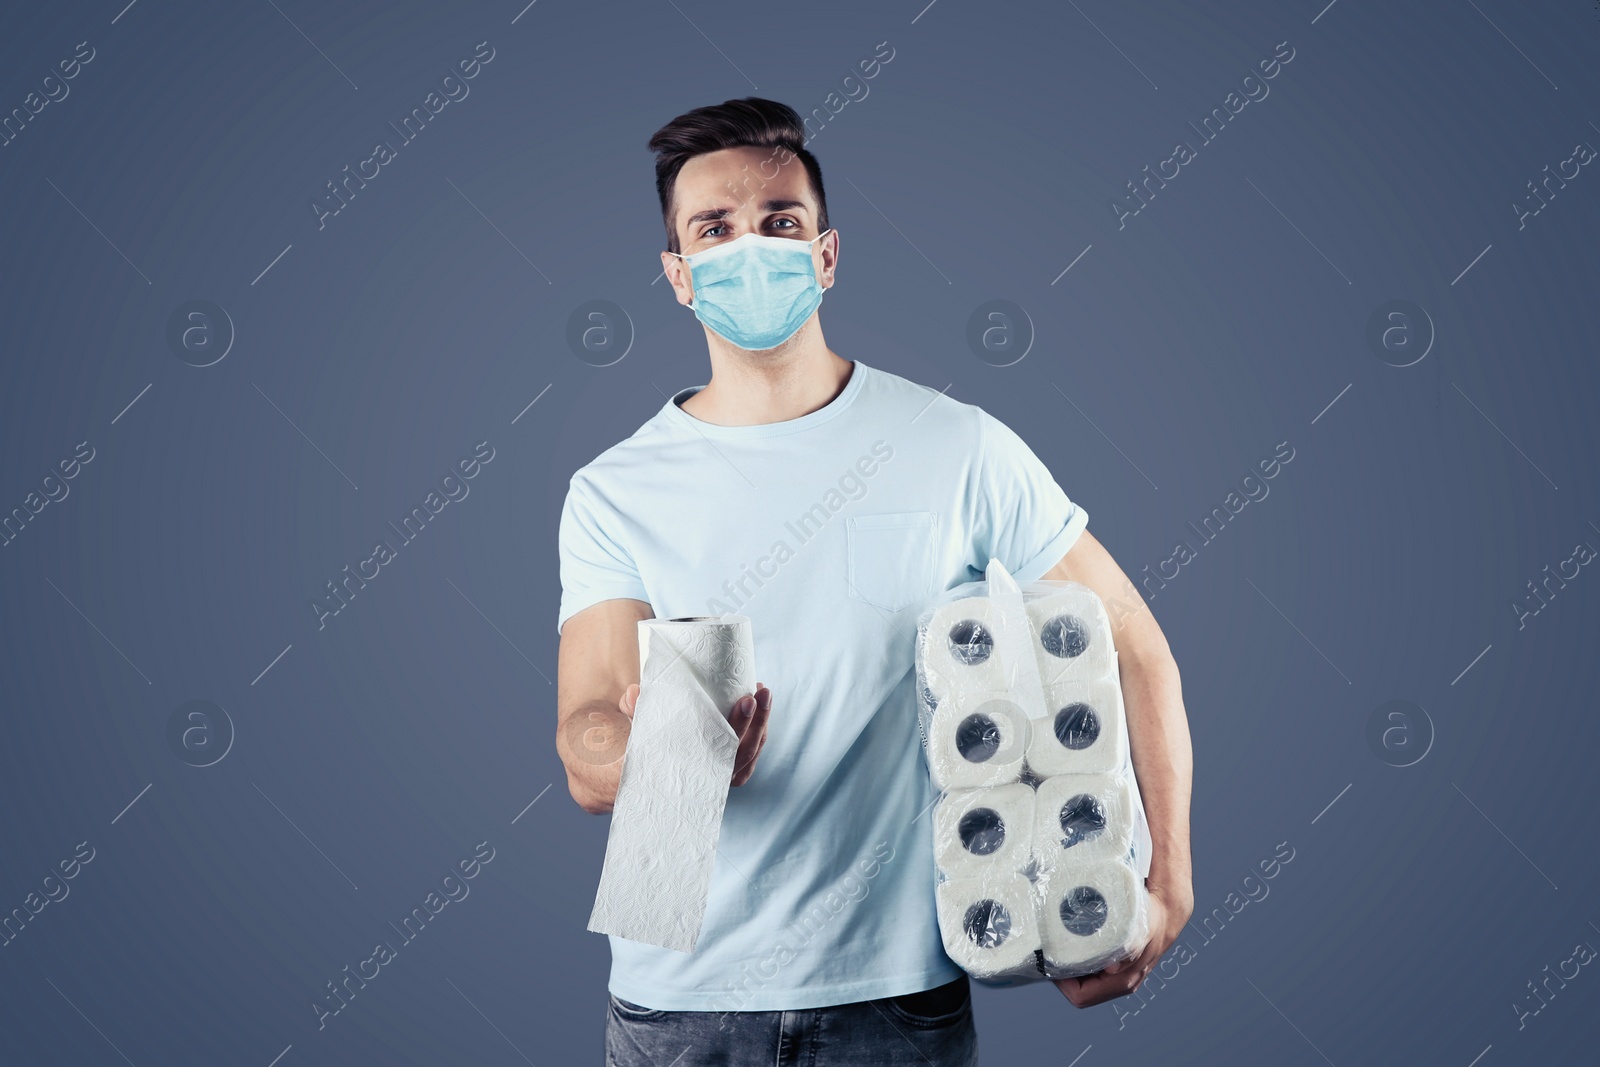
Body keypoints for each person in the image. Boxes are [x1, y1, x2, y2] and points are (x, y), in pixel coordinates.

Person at [556, 97, 1194, 1066]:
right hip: (676, 991)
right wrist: (659, 754)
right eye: (712, 229)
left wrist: (1169, 881)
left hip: (891, 993)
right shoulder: (615, 487)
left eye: (779, 221)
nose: (750, 247)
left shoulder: (953, 443)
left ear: (825, 253)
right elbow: (587, 732)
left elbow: (1134, 646)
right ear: (678, 276)